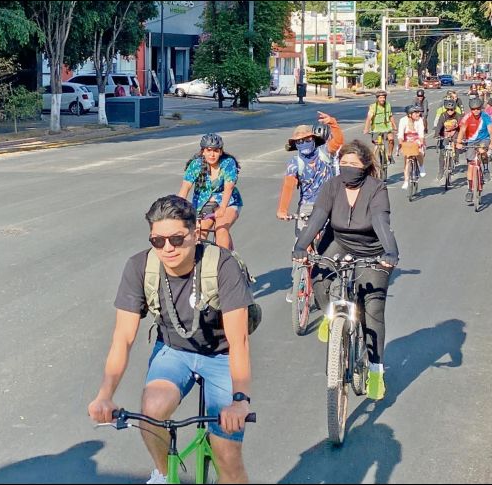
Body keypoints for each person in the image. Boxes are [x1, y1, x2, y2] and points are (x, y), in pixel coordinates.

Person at [88, 195, 254, 485]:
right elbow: (123, 338)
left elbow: (238, 340)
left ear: (195, 233)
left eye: (177, 239)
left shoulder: (222, 266)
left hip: (222, 355)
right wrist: (105, 395)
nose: (167, 248)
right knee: (151, 412)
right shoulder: (140, 267)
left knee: (228, 459)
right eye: (158, 241)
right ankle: (165, 474)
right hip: (174, 350)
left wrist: (240, 401)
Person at [292, 140, 399, 401]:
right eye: (344, 163)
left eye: (354, 163)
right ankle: (331, 316)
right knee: (319, 278)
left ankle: (375, 371)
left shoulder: (376, 188)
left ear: (365, 166)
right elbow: (318, 217)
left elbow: (380, 220)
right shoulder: (332, 185)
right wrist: (301, 246)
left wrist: (390, 252)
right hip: (339, 240)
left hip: (372, 248)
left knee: (373, 309)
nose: (348, 167)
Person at [278, 111, 344, 302]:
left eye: (307, 140)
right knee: (300, 246)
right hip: (306, 206)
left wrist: (333, 123)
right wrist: (282, 209)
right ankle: (298, 283)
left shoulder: (324, 152)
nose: (304, 144)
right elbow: (288, 186)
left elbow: (338, 140)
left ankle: (334, 279)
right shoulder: (295, 163)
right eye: (299, 142)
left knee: (330, 245)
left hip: (329, 203)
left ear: (314, 140)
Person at [179, 133, 242, 250]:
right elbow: (185, 187)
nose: (212, 154)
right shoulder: (196, 164)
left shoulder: (228, 163)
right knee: (198, 234)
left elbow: (229, 187)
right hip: (203, 205)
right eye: (209, 150)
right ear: (203, 151)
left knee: (221, 228)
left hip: (228, 203)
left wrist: (223, 208)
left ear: (221, 152)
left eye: (216, 151)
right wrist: (178, 208)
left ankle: (225, 259)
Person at [456, 97, 492, 203]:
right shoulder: (467, 117)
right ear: (471, 109)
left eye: (478, 109)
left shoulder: (485, 116)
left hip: (484, 139)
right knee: (470, 165)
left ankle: (486, 168)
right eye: (473, 109)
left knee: (482, 151)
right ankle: (470, 190)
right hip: (471, 141)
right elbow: (462, 130)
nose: (476, 111)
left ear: (481, 108)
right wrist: (458, 142)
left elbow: (491, 130)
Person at [363, 90, 397, 164]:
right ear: (377, 98)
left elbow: (390, 116)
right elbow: (369, 118)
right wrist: (366, 129)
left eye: (384, 97)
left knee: (391, 140)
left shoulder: (388, 105)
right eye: (380, 98)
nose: (382, 99)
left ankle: (390, 155)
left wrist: (394, 126)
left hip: (387, 127)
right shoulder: (373, 107)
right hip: (376, 128)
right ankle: (371, 161)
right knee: (377, 144)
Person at [397, 104, 426, 189]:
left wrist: (421, 143)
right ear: (410, 114)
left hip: (417, 139)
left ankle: (421, 166)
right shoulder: (403, 120)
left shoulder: (419, 120)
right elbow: (400, 135)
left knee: (419, 152)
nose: (418, 114)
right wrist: (401, 144)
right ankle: (406, 181)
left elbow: (421, 134)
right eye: (415, 113)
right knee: (407, 160)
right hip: (406, 141)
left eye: (418, 112)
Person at [434, 99, 463, 182]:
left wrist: (462, 137)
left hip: (455, 133)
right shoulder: (443, 115)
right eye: (448, 110)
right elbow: (439, 126)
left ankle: (456, 158)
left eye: (452, 109)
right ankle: (441, 171)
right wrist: (437, 134)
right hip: (445, 134)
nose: (450, 111)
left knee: (456, 143)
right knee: (442, 152)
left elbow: (462, 127)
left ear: (454, 109)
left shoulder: (458, 116)